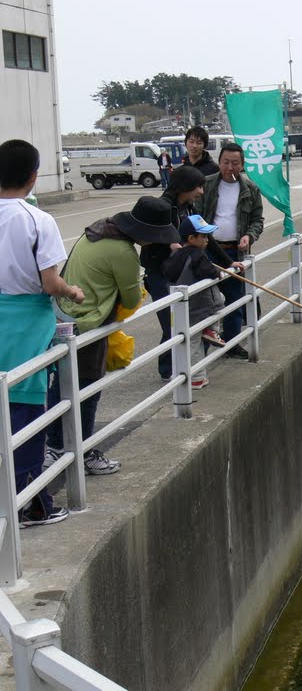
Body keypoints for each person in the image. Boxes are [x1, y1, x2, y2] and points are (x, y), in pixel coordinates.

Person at [47, 196, 180, 476]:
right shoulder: (123, 252)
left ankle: (56, 445)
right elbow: (132, 298)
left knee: (62, 385)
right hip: (88, 322)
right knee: (87, 388)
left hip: (62, 316)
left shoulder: (96, 231)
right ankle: (80, 451)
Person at [0, 139, 84, 527]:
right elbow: (50, 282)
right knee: (26, 409)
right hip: (26, 322)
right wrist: (72, 290)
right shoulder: (37, 219)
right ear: (33, 176)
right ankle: (29, 504)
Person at [141, 165, 245, 380]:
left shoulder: (189, 208)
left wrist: (229, 263)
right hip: (162, 273)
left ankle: (183, 369)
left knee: (190, 321)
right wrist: (172, 245)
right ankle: (171, 372)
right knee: (172, 323)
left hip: (184, 273)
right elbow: (156, 240)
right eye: (198, 187)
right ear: (185, 186)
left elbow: (208, 238)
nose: (201, 191)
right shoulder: (163, 208)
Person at [194, 142, 264, 359]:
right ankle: (201, 349)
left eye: (235, 163)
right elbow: (195, 216)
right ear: (219, 162)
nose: (230, 167)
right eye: (225, 162)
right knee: (204, 300)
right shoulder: (206, 185)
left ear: (242, 165)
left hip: (235, 252)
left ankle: (232, 343)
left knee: (235, 300)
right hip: (207, 251)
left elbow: (257, 220)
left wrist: (249, 236)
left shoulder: (250, 189)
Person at [162, 215, 227, 391]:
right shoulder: (198, 255)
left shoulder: (176, 254)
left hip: (181, 305)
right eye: (204, 237)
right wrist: (216, 271)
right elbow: (209, 271)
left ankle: (211, 330)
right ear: (192, 238)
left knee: (186, 340)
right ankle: (197, 377)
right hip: (199, 306)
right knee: (194, 342)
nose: (207, 240)